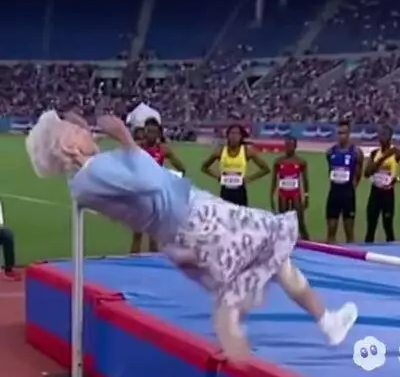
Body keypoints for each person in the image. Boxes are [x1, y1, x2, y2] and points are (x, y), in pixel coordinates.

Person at [25, 110, 358, 362]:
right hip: (195, 217)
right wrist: (125, 137)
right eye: (77, 131)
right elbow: (150, 181)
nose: (86, 131)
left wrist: (83, 132)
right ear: (69, 145)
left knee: (272, 259)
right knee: (272, 245)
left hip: (181, 232)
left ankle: (321, 320)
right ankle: (276, 319)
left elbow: (125, 182)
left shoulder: (82, 184)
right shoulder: (96, 171)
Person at [130, 118, 186, 254]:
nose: (151, 135)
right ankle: (133, 262)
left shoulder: (163, 149)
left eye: (154, 132)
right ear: (144, 132)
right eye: (148, 131)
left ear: (158, 133)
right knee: (137, 234)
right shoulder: (137, 148)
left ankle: (153, 263)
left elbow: (181, 168)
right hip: (140, 194)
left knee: (153, 235)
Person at [364, 125, 400, 243]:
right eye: (380, 135)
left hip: (387, 194)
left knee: (388, 226)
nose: (382, 138)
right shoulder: (374, 153)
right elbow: (367, 173)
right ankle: (367, 250)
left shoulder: (398, 153)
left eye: (385, 135)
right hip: (375, 193)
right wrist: (382, 158)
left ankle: (392, 250)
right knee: (371, 227)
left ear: (390, 137)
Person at [201, 124, 270, 206]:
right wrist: (217, 177)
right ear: (228, 135)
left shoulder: (247, 151)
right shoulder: (220, 151)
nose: (234, 136)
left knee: (240, 213)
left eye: (237, 134)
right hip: (225, 190)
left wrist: (249, 179)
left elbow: (265, 169)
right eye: (232, 133)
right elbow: (204, 167)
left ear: (241, 136)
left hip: (240, 191)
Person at [325, 121, 363, 243]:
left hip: (348, 194)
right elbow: (330, 170)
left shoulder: (356, 152)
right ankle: (329, 252)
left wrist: (352, 187)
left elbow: (358, 173)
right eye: (339, 133)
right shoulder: (330, 152)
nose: (341, 136)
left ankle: (350, 253)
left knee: (349, 230)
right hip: (334, 192)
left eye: (344, 133)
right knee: (331, 228)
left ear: (349, 134)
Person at [270, 136, 309, 240]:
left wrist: (306, 196)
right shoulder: (278, 161)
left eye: (291, 145)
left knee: (300, 221)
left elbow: (305, 180)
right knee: (283, 222)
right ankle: (283, 242)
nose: (288, 148)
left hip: (295, 194)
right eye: (286, 145)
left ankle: (308, 243)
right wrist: (272, 196)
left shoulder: (301, 161)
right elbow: (274, 180)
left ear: (295, 146)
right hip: (283, 194)